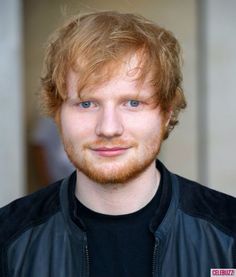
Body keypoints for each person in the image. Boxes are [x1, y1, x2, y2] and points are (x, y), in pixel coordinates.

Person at [0, 11, 235, 277]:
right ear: (57, 113)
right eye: (87, 103)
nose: (109, 128)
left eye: (132, 103)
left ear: (166, 113)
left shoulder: (229, 232)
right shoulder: (8, 239)